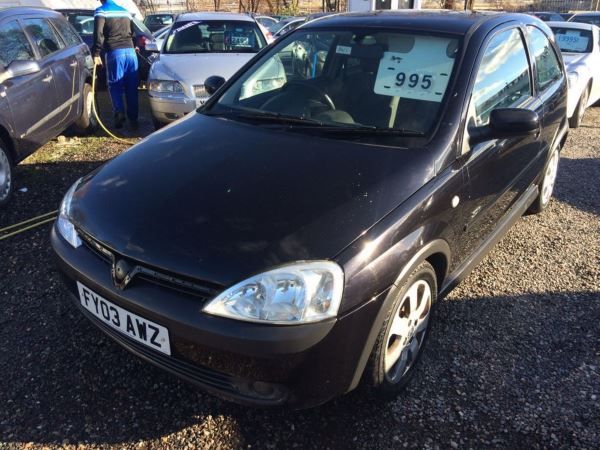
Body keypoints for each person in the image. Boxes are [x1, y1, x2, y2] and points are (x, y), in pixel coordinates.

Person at [92, 0, 139, 129]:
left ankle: (119, 114)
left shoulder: (101, 11)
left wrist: (96, 53)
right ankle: (133, 119)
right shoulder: (125, 11)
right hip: (131, 53)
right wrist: (135, 46)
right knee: (132, 87)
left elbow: (98, 34)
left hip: (114, 52)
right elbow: (133, 33)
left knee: (115, 85)